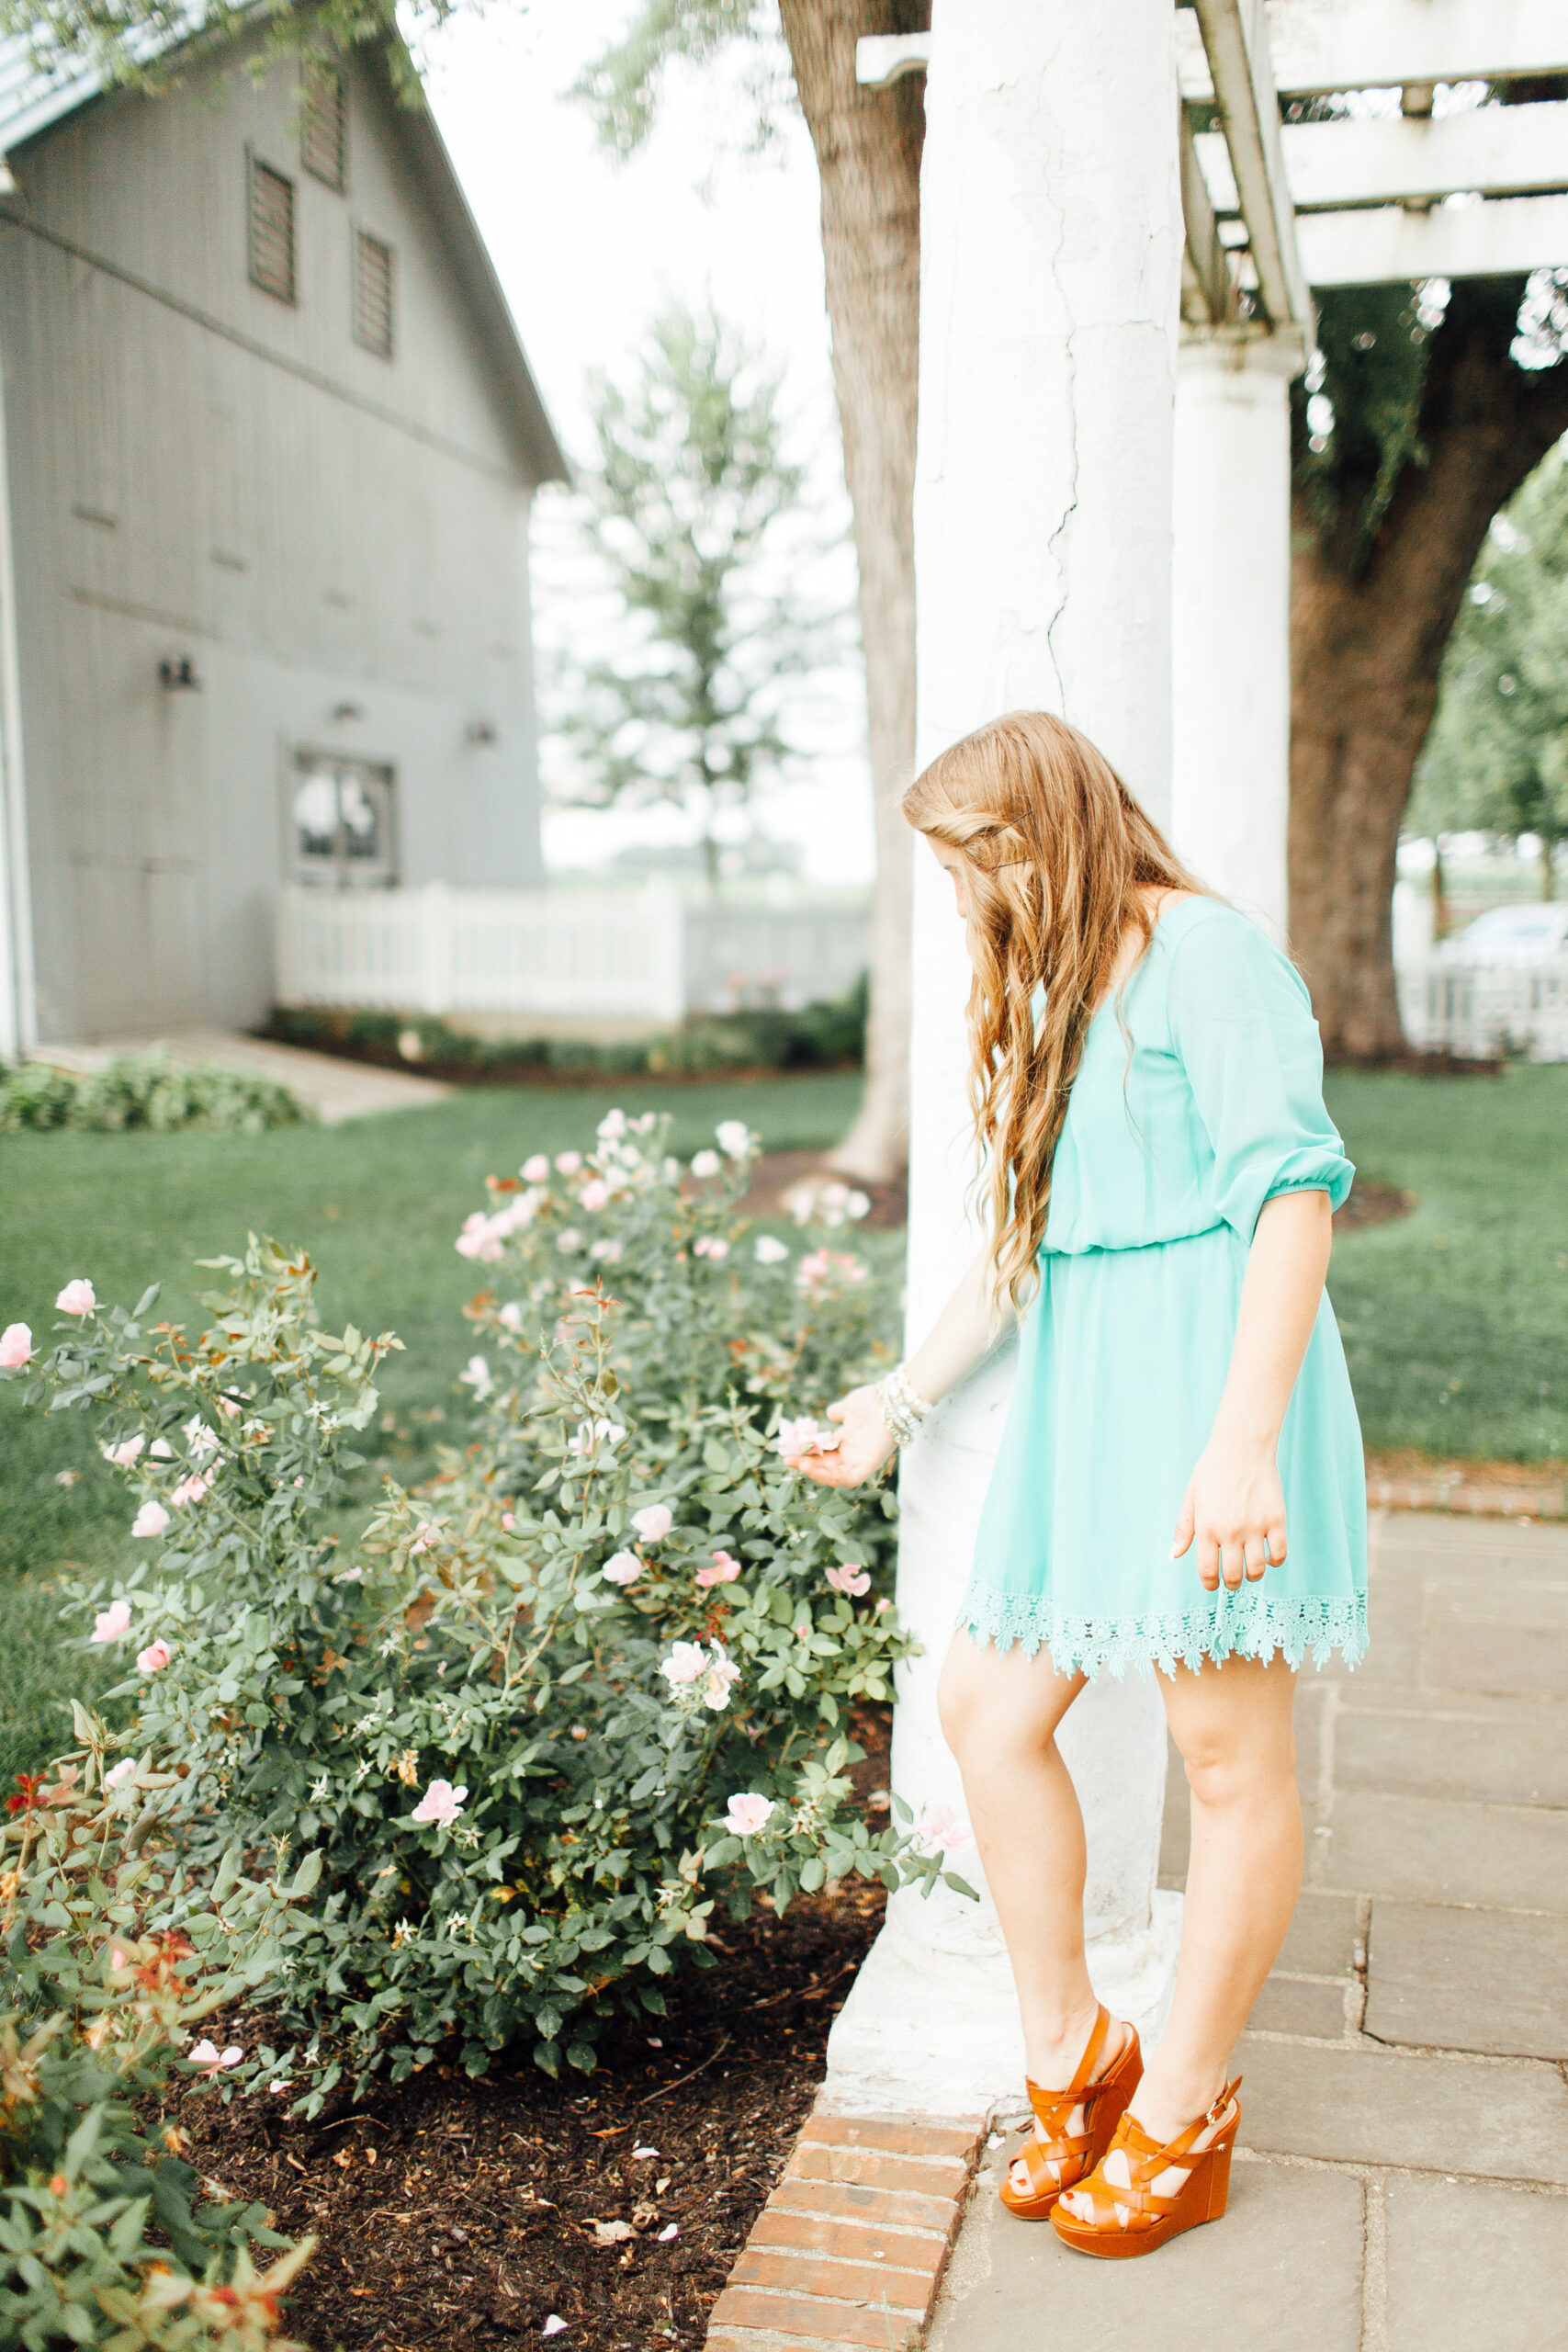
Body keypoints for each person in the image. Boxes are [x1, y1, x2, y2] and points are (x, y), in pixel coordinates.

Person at [795, 710, 1367, 2260]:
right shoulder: (1052, 984)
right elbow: (1012, 1248)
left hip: (1213, 1392)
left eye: (988, 861)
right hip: (1087, 1401)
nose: (979, 899)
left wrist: (1242, 1443)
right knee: (987, 1712)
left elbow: (1296, 1202)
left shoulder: (1210, 957)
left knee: (1225, 1755)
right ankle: (1073, 2052)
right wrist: (895, 1402)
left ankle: (1184, 2107)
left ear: (1056, 824)